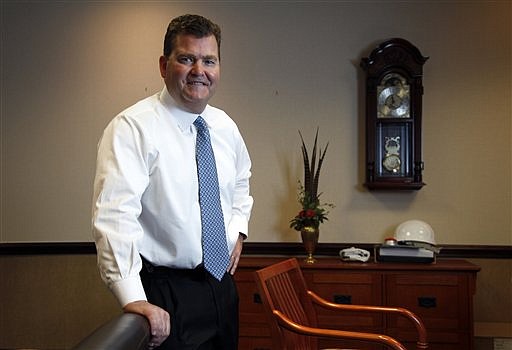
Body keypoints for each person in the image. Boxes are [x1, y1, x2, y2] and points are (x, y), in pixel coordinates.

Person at [91, 14, 253, 350]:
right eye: (186, 59)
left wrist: (237, 228)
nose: (199, 70)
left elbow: (241, 182)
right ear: (164, 65)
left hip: (222, 287)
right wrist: (133, 298)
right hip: (166, 293)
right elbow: (114, 216)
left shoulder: (224, 127)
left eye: (209, 60)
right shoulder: (132, 128)